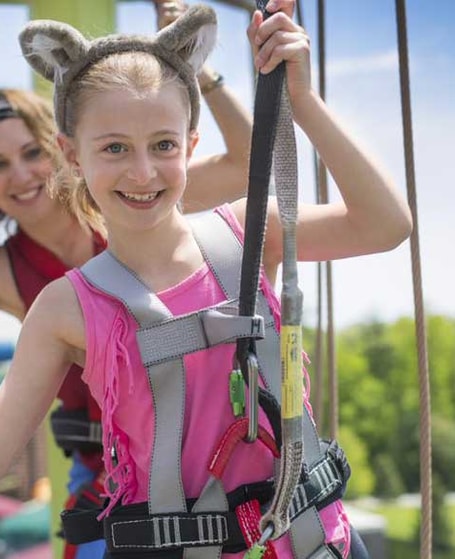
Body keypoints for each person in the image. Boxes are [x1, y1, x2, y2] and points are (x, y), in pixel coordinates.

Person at [0, 1, 412, 558]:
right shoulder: (64, 308)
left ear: (191, 146)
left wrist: (304, 102)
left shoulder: (245, 231)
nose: (142, 172)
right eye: (114, 148)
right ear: (72, 156)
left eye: (163, 146)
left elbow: (384, 225)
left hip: (316, 542)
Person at [0, 7, 252, 558]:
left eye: (31, 153)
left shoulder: (138, 194)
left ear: (61, 149)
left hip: (208, 468)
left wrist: (189, 70)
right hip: (107, 480)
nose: (20, 175)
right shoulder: (10, 271)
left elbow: (247, 162)